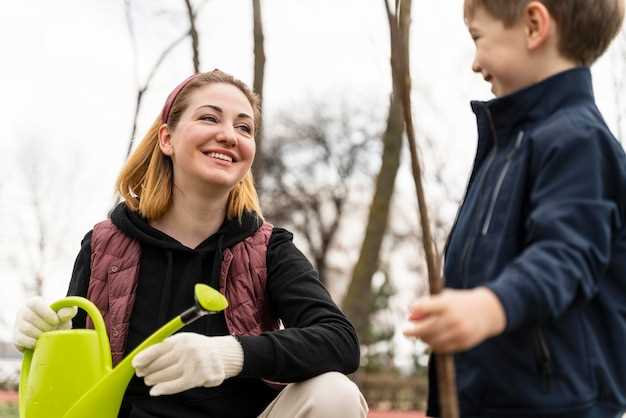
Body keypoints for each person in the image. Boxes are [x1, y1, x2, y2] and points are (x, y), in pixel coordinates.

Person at [13, 69, 368, 418]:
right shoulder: (103, 245)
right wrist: (46, 342)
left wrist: (227, 354)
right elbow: (69, 386)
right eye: (210, 118)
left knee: (334, 394)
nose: (229, 135)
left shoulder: (270, 249)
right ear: (167, 139)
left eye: (244, 127)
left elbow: (339, 340)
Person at [403, 1, 626, 417]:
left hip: (556, 405)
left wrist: (488, 307)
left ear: (534, 25)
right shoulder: (507, 147)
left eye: (478, 38)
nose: (474, 63)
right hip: (487, 399)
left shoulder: (578, 141)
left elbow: (566, 256)